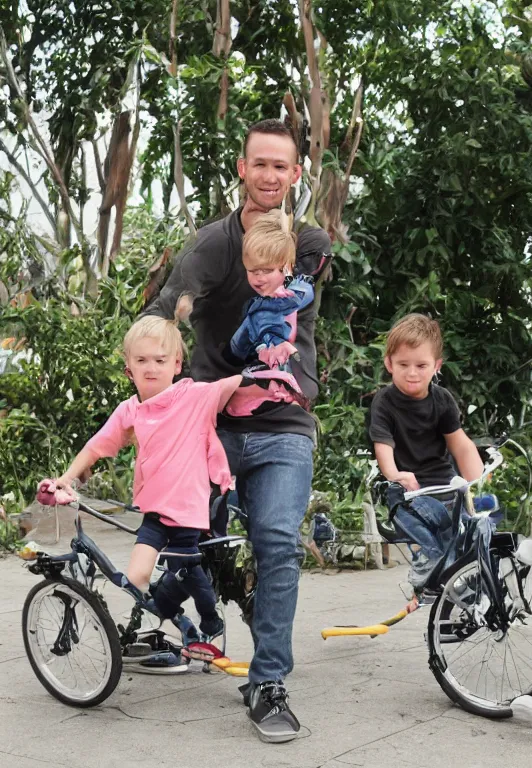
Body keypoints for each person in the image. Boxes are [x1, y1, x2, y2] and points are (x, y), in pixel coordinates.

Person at [145, 117, 331, 743]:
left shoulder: (307, 243)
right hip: (211, 420)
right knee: (186, 536)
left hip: (283, 420)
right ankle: (186, 623)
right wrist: (159, 380)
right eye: (260, 164)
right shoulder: (211, 245)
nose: (270, 175)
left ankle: (268, 680)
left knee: (278, 539)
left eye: (282, 166)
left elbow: (299, 272)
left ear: (296, 172)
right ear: (242, 168)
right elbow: (166, 309)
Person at [38, 297, 242, 668]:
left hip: (187, 510)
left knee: (186, 568)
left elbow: (233, 384)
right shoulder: (130, 410)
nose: (151, 368)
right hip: (154, 511)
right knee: (136, 577)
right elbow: (96, 446)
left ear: (177, 364)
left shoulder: (192, 396)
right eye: (142, 360)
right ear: (129, 367)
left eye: (161, 361)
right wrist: (65, 478)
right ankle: (171, 615)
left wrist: (269, 371)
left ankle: (209, 618)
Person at [367, 313, 482, 591]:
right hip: (408, 488)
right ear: (389, 364)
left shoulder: (441, 400)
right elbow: (384, 448)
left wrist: (477, 478)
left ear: (436, 366)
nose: (412, 373)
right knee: (415, 520)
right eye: (403, 364)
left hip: (443, 483)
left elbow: (460, 444)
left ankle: (467, 594)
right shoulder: (384, 403)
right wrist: (395, 474)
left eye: (421, 365)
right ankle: (426, 561)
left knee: (471, 537)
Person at [222, 209, 314, 417]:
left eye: (267, 271)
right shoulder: (257, 309)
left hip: (283, 364)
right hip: (258, 364)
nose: (259, 278)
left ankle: (281, 392)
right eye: (253, 271)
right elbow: (238, 346)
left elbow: (304, 293)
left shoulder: (296, 289)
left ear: (287, 268)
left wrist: (286, 293)